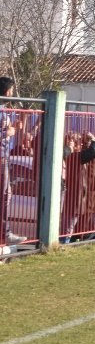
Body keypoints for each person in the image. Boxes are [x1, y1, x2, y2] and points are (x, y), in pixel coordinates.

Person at [0, 77, 25, 246]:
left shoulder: (3, 109)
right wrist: (6, 133)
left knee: (6, 195)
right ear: (7, 90)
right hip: (1, 158)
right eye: (12, 90)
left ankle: (5, 233)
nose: (13, 93)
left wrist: (12, 129)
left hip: (4, 156)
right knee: (5, 195)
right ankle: (5, 233)